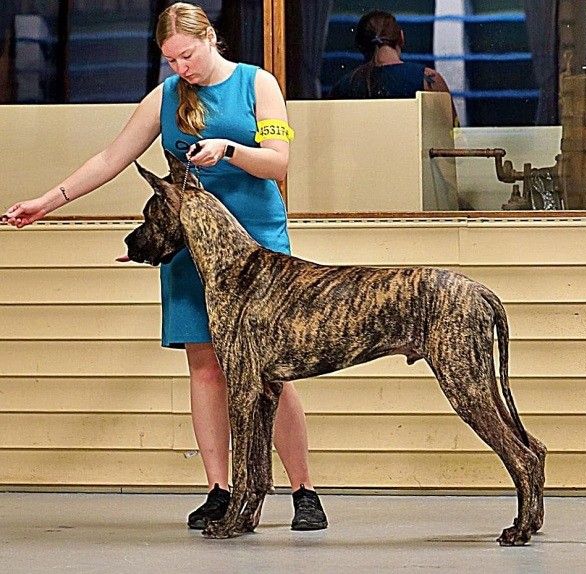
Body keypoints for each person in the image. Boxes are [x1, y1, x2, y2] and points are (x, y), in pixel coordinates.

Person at [1, 2, 327, 532]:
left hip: (256, 247)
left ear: (210, 38)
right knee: (205, 366)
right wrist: (47, 202)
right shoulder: (167, 96)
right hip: (188, 250)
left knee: (268, 371)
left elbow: (278, 162)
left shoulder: (257, 83)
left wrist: (228, 150)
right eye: (171, 60)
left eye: (187, 55)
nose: (181, 68)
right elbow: (110, 159)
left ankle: (304, 491)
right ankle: (219, 490)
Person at [330, 10, 458, 125]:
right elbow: (453, 133)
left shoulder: (343, 86)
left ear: (360, 45)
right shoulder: (428, 79)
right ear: (401, 37)